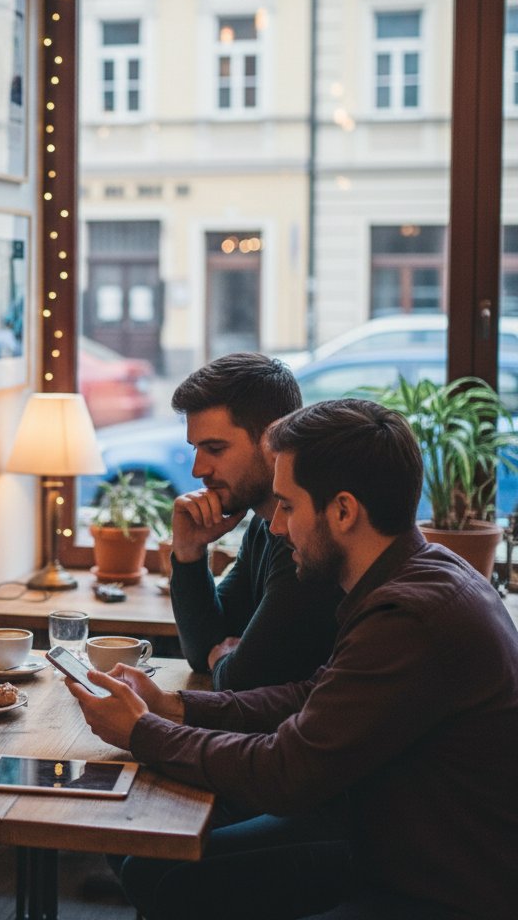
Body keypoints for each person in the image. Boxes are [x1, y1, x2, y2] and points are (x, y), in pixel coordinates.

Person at [66, 399, 518, 919]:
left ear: (344, 511)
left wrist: (142, 731)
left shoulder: (409, 615)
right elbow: (312, 695)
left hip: (436, 887)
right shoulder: (416, 572)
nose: (276, 527)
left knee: (171, 884)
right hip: (380, 835)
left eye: (287, 506)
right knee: (153, 868)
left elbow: (286, 770)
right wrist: (174, 706)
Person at [168, 352, 341, 689]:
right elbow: (204, 648)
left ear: (271, 440)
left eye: (215, 449)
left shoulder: (306, 539)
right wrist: (188, 552)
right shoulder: (264, 524)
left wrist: (226, 660)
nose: (197, 470)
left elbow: (241, 680)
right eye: (195, 450)